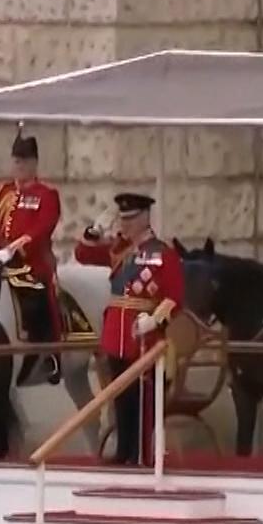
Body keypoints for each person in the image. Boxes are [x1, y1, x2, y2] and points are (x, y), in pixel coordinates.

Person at [75, 193, 182, 465]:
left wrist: (156, 319)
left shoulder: (162, 253)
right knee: (120, 396)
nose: (125, 224)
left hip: (143, 335)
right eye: (122, 219)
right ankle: (124, 449)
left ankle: (140, 453)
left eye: (131, 219)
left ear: (145, 218)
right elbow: (83, 254)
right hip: (116, 334)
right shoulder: (119, 249)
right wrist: (93, 231)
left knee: (142, 399)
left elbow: (175, 297)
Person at [0, 125, 64, 385]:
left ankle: (50, 354)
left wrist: (15, 247)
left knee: (38, 296)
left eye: (24, 161)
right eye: (16, 160)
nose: (18, 166)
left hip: (32, 264)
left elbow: (43, 228)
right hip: (2, 262)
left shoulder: (46, 195)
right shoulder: (4, 192)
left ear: (34, 163)